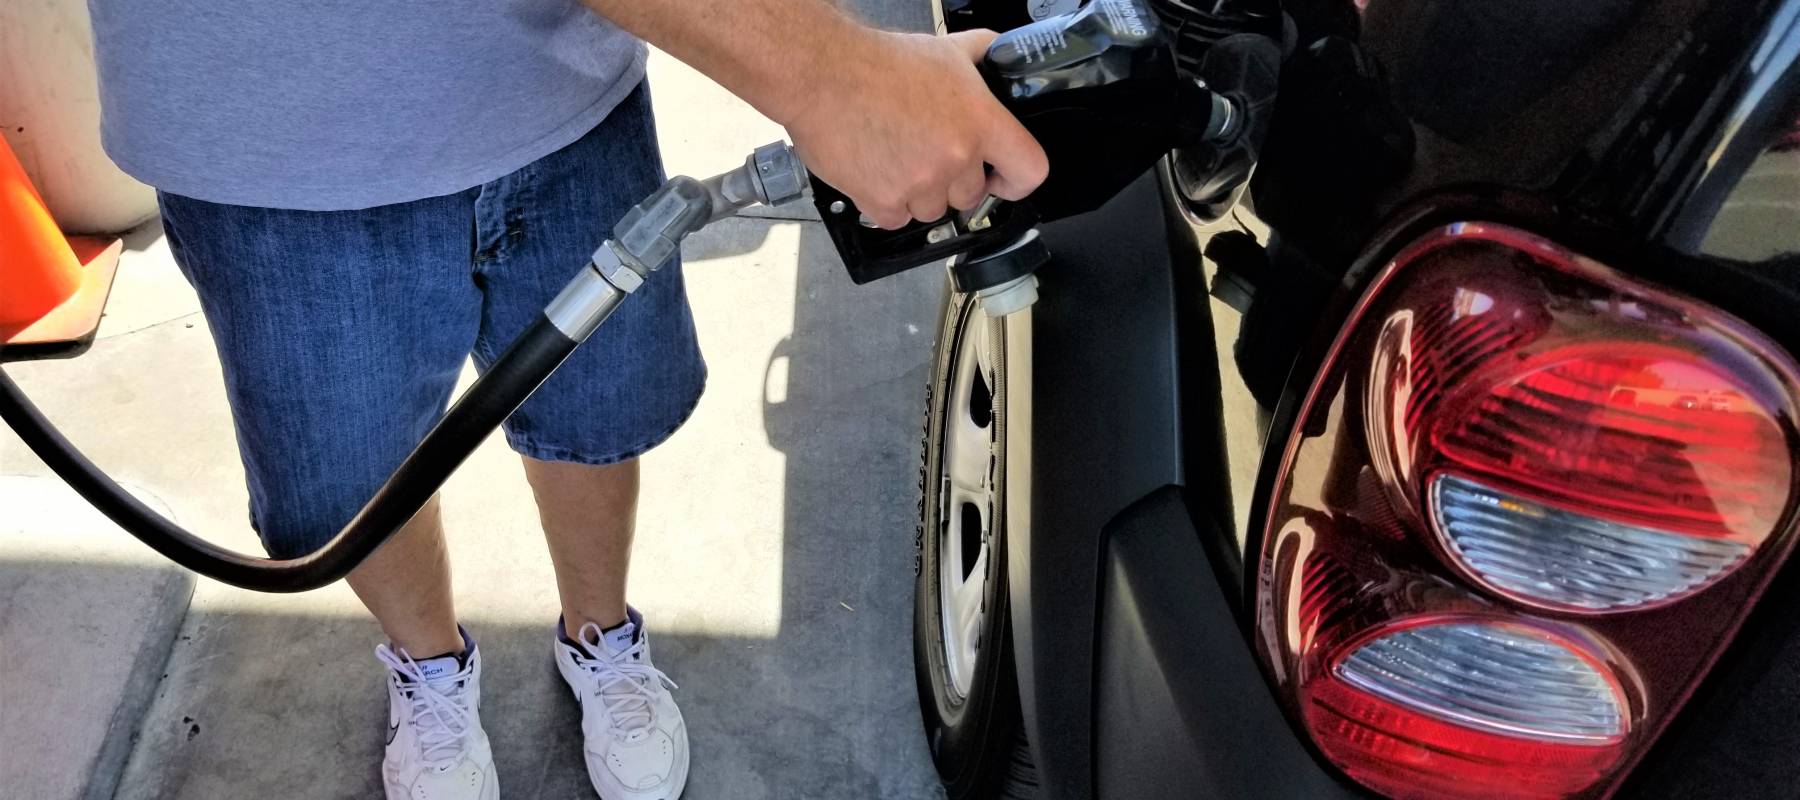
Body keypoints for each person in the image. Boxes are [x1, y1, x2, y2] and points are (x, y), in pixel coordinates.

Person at [85, 0, 1045, 797]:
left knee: (597, 405)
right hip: (263, 147)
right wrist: (834, 75)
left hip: (551, 95)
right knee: (345, 483)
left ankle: (602, 637)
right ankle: (429, 668)